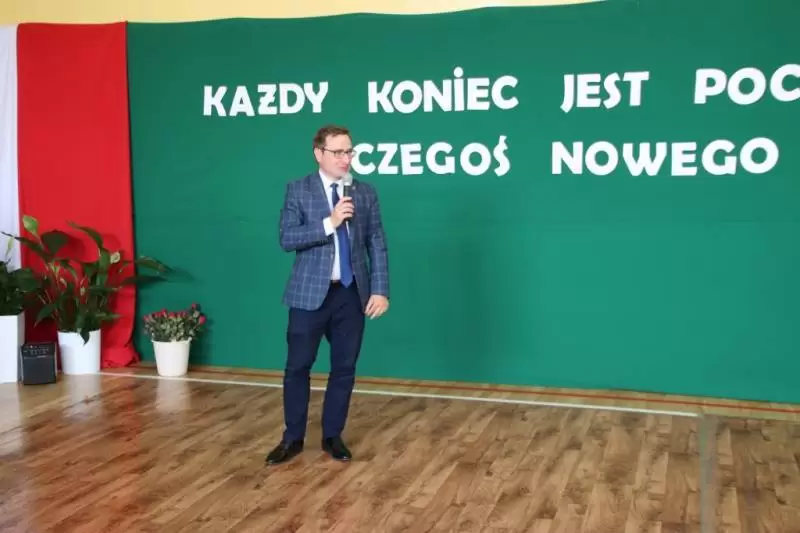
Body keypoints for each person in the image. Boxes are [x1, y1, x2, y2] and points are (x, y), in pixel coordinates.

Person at [266, 125, 390, 465]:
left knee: (344, 368)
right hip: (309, 295)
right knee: (297, 367)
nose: (345, 158)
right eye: (338, 152)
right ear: (318, 153)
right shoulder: (298, 190)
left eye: (349, 151)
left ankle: (333, 436)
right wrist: (329, 222)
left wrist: (380, 289)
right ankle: (292, 438)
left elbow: (376, 242)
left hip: (351, 294)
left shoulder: (365, 193)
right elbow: (287, 238)